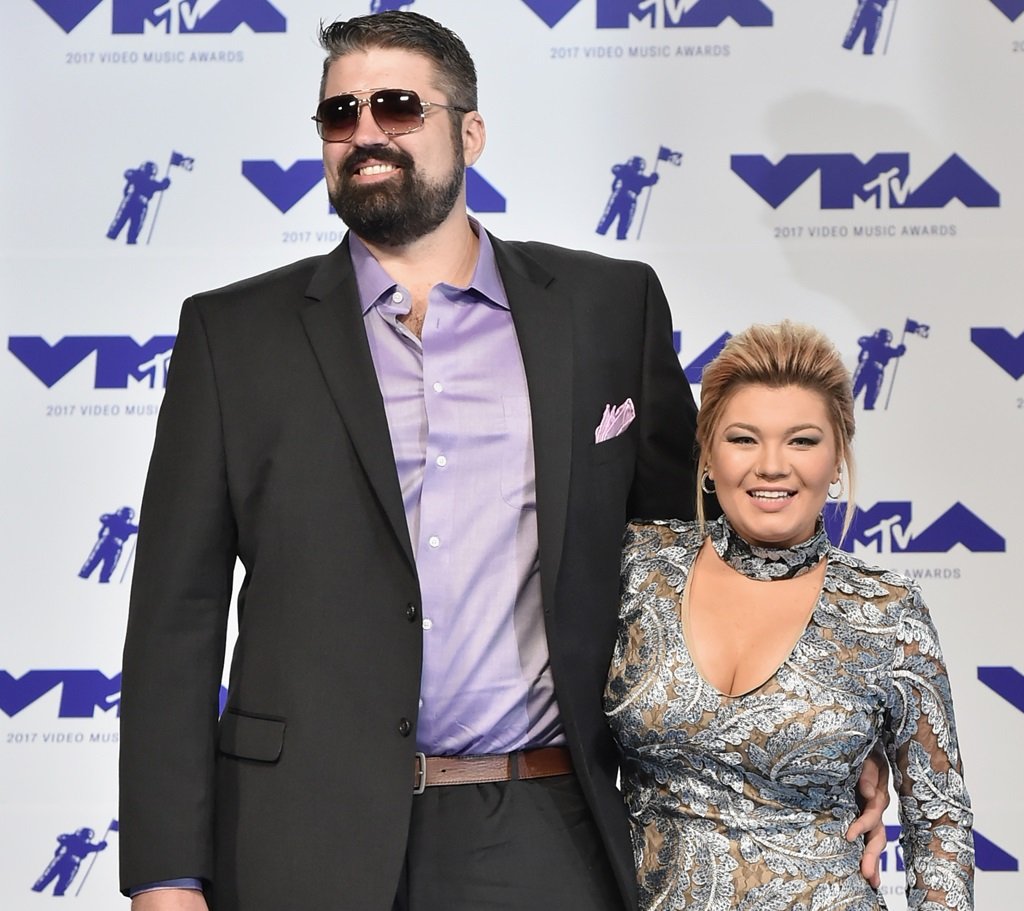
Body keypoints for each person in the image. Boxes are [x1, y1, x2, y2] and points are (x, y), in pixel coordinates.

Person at [118, 11, 887, 911]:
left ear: (469, 133)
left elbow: (695, 555)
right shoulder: (233, 335)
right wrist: (167, 876)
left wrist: (817, 720)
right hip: (300, 834)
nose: (366, 133)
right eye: (340, 115)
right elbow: (175, 617)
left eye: (397, 106)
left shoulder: (608, 309)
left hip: (547, 826)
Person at [607, 322, 974, 910]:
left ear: (836, 460)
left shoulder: (885, 611)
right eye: (743, 439)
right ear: (707, 458)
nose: (772, 465)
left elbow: (939, 817)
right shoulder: (639, 568)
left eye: (802, 441)